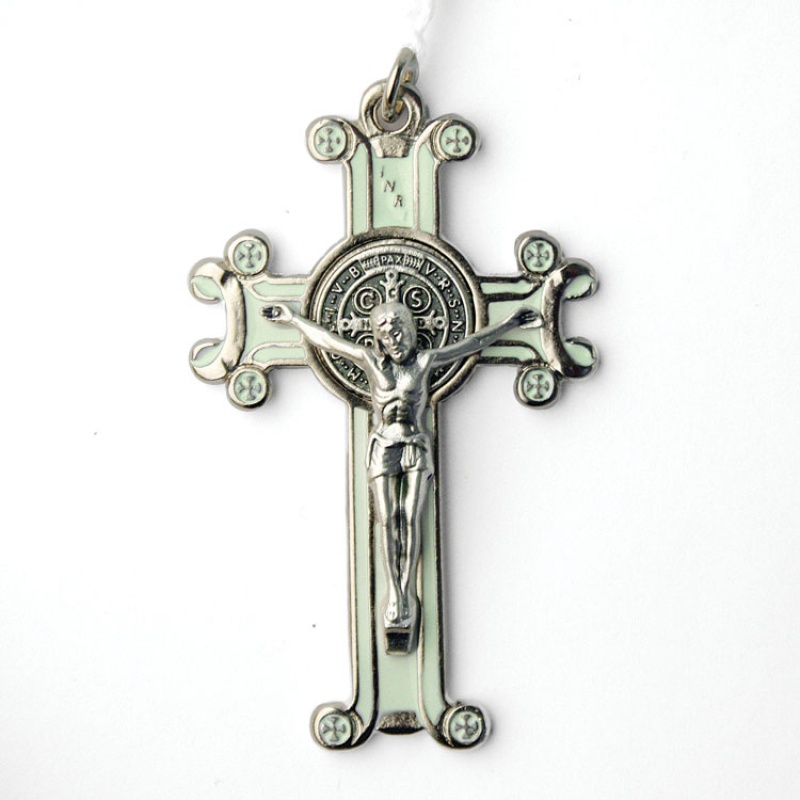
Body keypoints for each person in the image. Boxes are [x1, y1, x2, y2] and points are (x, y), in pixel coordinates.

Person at [262, 300, 539, 650]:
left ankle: (406, 594)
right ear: (377, 339)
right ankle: (394, 593)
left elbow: (472, 344)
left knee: (410, 518)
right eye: (386, 335)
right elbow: (329, 341)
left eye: (399, 332)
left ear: (412, 331)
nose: (394, 340)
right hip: (383, 446)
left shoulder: (424, 362)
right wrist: (293, 319)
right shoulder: (370, 361)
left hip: (414, 445)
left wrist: (509, 323)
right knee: (386, 519)